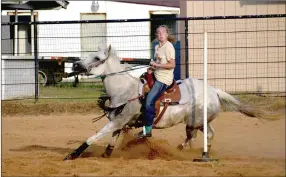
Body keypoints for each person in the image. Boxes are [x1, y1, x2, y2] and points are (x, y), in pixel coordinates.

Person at [137, 25, 176, 138]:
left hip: (164, 79)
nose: (160, 35)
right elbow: (157, 63)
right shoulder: (157, 47)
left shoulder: (169, 47)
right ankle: (142, 117)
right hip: (156, 74)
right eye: (158, 33)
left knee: (149, 101)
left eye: (162, 33)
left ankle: (147, 130)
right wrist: (152, 69)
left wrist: (157, 65)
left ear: (167, 34)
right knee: (140, 89)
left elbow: (172, 65)